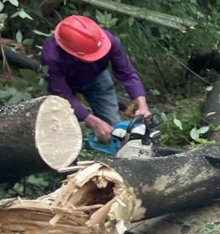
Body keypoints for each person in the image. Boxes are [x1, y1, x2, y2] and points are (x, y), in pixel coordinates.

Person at [40, 15, 150, 143]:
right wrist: (92, 120)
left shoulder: (108, 40)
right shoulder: (50, 57)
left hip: (97, 77)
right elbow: (61, 93)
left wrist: (142, 105)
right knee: (58, 122)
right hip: (63, 83)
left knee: (113, 128)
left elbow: (127, 72)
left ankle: (118, 151)